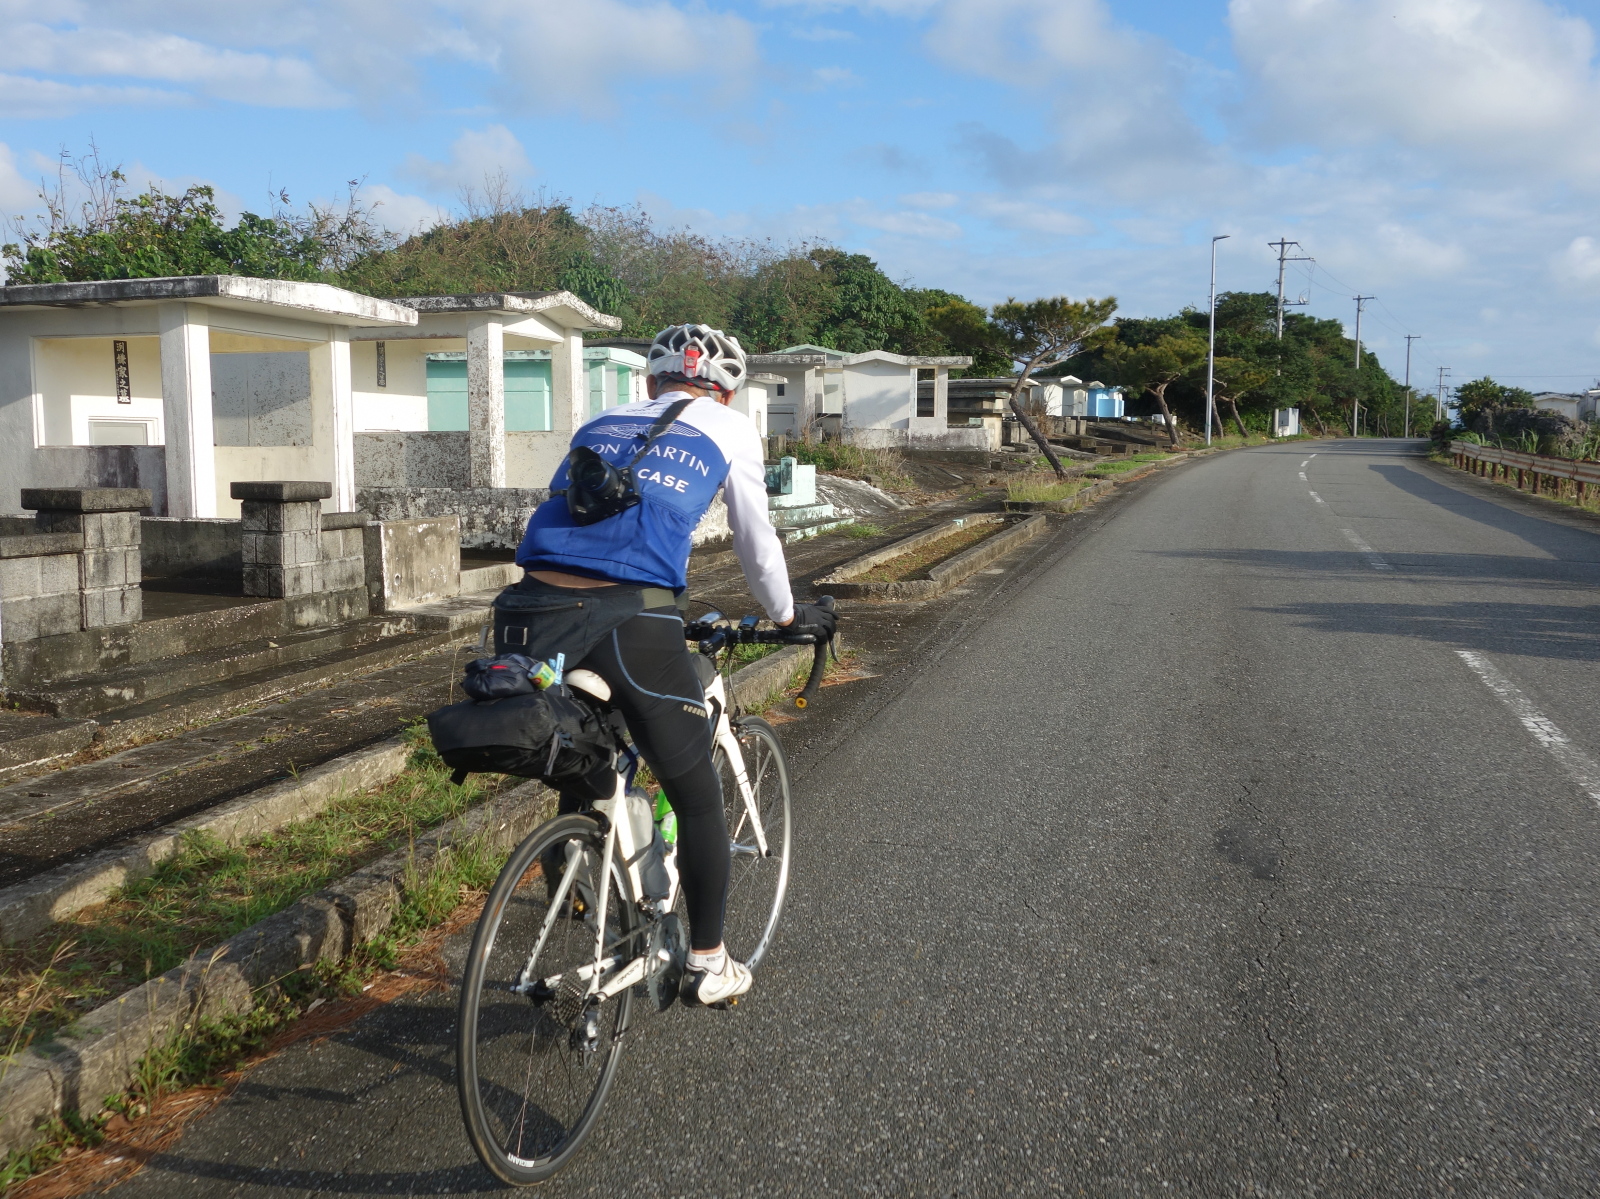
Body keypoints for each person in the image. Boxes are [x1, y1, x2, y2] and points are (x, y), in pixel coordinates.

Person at [510, 324, 836, 1006]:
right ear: (726, 392)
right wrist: (785, 616)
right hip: (630, 615)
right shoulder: (730, 428)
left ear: (652, 382)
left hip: (527, 612)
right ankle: (709, 962)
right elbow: (756, 540)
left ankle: (580, 870)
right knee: (695, 792)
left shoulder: (602, 422)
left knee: (589, 746)